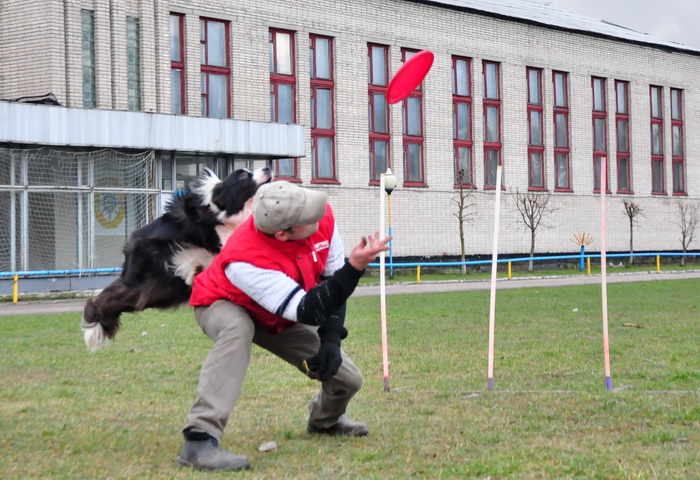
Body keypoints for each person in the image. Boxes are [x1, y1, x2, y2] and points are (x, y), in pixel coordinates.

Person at [177, 180, 391, 471]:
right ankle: (199, 439)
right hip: (223, 301)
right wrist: (354, 268)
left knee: (348, 379)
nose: (319, 215)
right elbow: (309, 310)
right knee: (237, 329)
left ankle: (325, 421)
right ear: (282, 233)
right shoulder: (244, 259)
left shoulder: (322, 217)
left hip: (281, 308)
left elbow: (330, 283)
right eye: (308, 217)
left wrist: (331, 340)